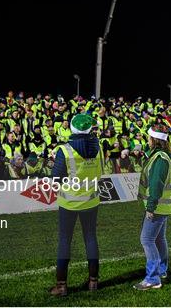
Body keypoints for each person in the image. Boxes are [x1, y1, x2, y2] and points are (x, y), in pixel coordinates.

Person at [49, 114, 104, 297]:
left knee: (65, 240)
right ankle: (93, 282)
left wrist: (54, 161)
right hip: (91, 200)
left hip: (69, 202)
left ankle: (61, 285)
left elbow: (55, 178)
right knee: (90, 238)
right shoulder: (98, 148)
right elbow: (101, 172)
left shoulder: (64, 150)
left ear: (72, 129)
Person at [134, 123, 171, 290]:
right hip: (164, 206)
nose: (147, 139)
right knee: (159, 238)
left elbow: (156, 184)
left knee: (146, 239)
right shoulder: (163, 155)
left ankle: (153, 278)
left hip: (157, 207)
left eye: (148, 137)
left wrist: (150, 207)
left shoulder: (159, 159)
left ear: (153, 139)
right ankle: (162, 270)